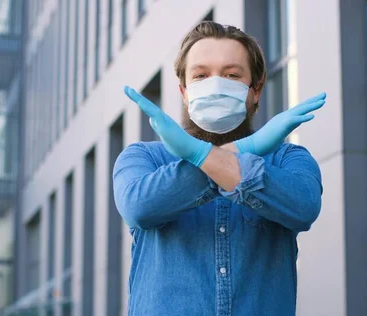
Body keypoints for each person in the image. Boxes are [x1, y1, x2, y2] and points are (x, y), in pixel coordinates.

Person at [113, 21, 325, 316]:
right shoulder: (143, 158)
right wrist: (244, 152)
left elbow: (303, 206)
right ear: (184, 92)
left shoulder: (289, 159)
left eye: (231, 75)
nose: (215, 85)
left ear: (256, 90)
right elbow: (140, 207)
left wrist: (202, 156)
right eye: (201, 75)